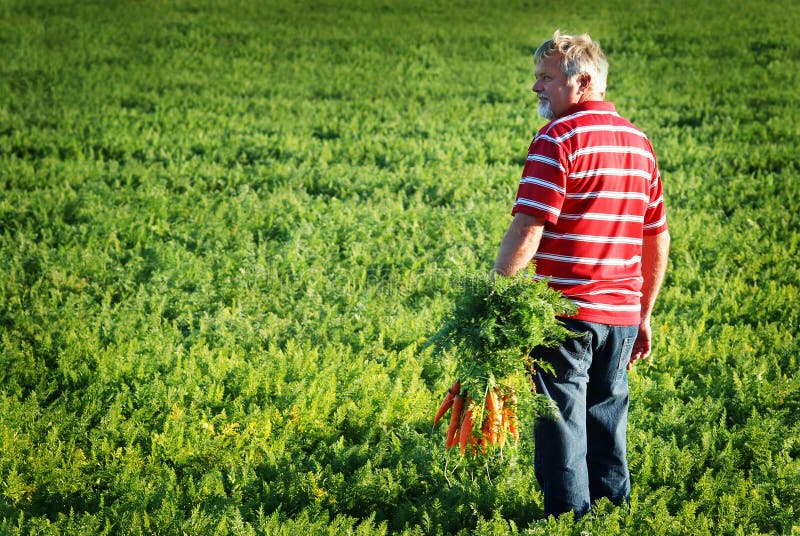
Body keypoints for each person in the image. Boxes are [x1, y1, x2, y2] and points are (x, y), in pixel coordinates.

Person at [492, 29, 671, 519]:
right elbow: (656, 236)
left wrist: (494, 302)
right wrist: (643, 314)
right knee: (606, 419)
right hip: (620, 316)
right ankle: (614, 518)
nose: (536, 89)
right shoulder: (639, 142)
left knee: (560, 424)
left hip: (564, 312)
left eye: (545, 78)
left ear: (582, 82)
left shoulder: (556, 139)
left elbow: (529, 227)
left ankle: (570, 524)